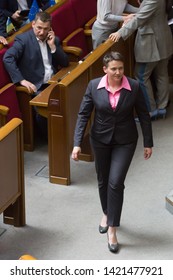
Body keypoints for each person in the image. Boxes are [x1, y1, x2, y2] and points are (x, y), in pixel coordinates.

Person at [71, 51, 153, 253]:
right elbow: (83, 114)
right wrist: (77, 143)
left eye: (121, 68)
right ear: (105, 69)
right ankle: (107, 212)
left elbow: (143, 114)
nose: (118, 72)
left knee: (115, 182)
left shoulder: (133, 86)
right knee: (102, 178)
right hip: (99, 139)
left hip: (125, 141)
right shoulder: (94, 86)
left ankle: (113, 229)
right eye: (114, 69)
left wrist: (148, 143)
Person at [3, 11, 69, 137]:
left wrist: (53, 46)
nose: (42, 32)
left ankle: (65, 133)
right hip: (36, 86)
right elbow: (8, 58)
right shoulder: (23, 40)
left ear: (50, 28)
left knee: (72, 95)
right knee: (45, 109)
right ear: (33, 24)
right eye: (39, 28)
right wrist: (21, 80)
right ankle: (51, 138)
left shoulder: (53, 39)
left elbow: (65, 62)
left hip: (53, 81)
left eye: (45, 29)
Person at [109, 0, 173, 119]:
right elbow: (147, 13)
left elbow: (140, 19)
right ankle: (162, 107)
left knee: (141, 76)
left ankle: (150, 111)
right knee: (161, 74)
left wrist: (120, 32)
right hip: (163, 40)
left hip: (151, 44)